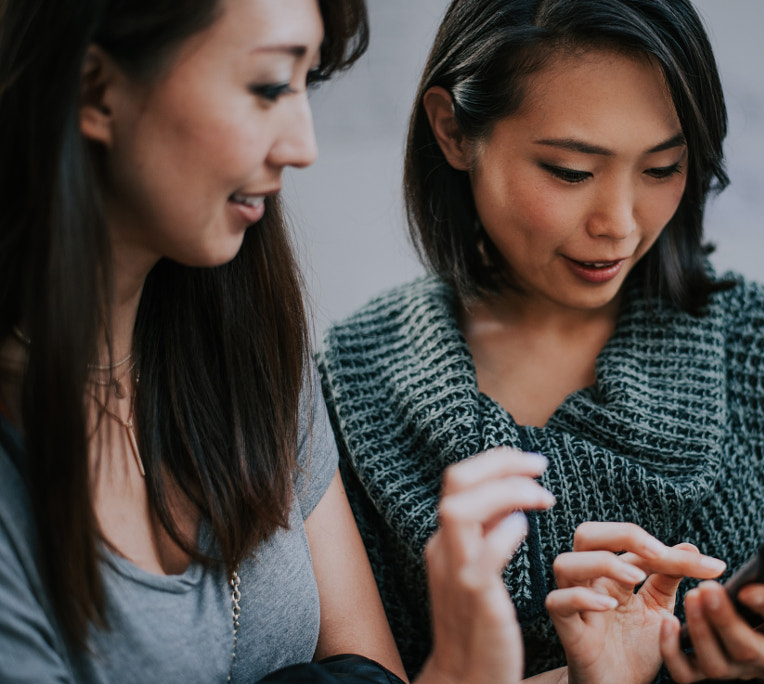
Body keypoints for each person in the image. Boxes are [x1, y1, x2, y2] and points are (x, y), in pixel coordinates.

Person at [318, 0, 764, 682]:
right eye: (571, 172)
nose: (619, 225)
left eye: (662, 168)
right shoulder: (355, 381)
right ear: (453, 130)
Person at [0, 1, 559, 682]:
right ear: (95, 89)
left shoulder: (251, 350)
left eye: (306, 85)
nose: (302, 145)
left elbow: (372, 669)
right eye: (268, 87)